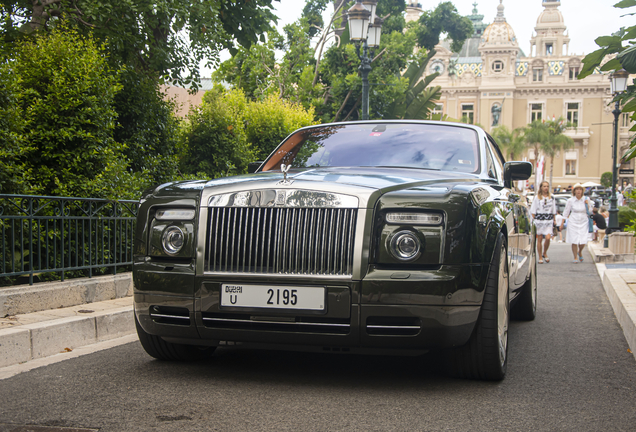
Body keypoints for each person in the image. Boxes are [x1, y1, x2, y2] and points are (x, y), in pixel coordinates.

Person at [562, 183, 594, 263]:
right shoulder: (570, 200)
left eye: (580, 189)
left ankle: (580, 251)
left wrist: (587, 205)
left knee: (583, 240)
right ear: (574, 191)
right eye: (577, 189)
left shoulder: (586, 199)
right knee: (574, 239)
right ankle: (575, 256)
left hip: (583, 220)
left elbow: (590, 212)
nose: (578, 191)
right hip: (573, 220)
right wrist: (562, 222)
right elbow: (566, 211)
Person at [530, 181, 556, 264]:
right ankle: (540, 256)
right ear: (541, 187)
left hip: (548, 220)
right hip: (539, 220)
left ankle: (545, 252)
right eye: (544, 186)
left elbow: (553, 209)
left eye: (547, 186)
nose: (546, 188)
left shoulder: (551, 197)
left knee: (548, 238)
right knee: (540, 239)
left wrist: (554, 220)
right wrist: (535, 220)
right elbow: (533, 211)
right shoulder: (537, 198)